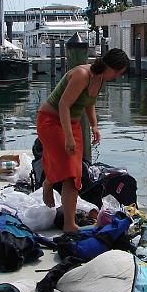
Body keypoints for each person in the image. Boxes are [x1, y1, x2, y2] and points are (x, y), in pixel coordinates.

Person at [37, 48, 129, 232]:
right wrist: (69, 137)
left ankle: (49, 181)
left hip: (73, 123)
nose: (118, 76)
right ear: (110, 67)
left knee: (76, 171)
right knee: (71, 174)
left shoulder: (101, 79)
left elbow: (90, 103)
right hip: (51, 121)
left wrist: (94, 125)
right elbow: (64, 105)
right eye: (118, 72)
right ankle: (69, 223)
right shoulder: (82, 74)